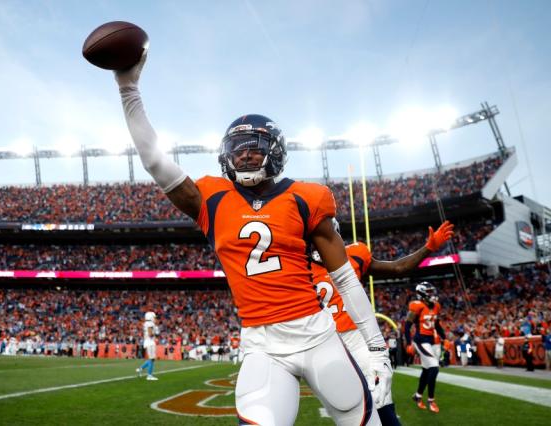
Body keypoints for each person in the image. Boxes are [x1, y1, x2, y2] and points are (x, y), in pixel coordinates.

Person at [112, 51, 389, 425]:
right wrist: (128, 88)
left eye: (254, 148)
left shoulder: (308, 197)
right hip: (262, 346)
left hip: (317, 335)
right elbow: (155, 162)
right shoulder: (211, 198)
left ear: (275, 153)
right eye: (238, 151)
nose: (244, 157)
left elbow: (345, 279)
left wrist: (377, 349)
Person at [311, 220, 454, 425]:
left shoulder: (354, 255)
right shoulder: (298, 266)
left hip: (358, 338)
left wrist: (428, 248)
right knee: (348, 409)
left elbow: (398, 268)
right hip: (326, 342)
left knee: (381, 398)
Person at [404, 282, 446, 414]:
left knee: (427, 370)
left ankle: (417, 396)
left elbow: (437, 324)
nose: (432, 294)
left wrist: (444, 337)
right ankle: (431, 400)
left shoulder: (436, 306)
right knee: (434, 367)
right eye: (429, 292)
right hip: (420, 340)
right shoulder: (416, 306)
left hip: (432, 341)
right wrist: (409, 343)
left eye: (432, 291)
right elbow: (407, 325)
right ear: (421, 294)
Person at [136, 311, 159, 380]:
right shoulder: (150, 323)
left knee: (152, 359)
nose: (155, 319)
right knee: (151, 359)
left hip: (148, 341)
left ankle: (141, 368)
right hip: (150, 342)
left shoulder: (147, 323)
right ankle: (149, 375)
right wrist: (156, 333)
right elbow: (150, 334)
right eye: (154, 317)